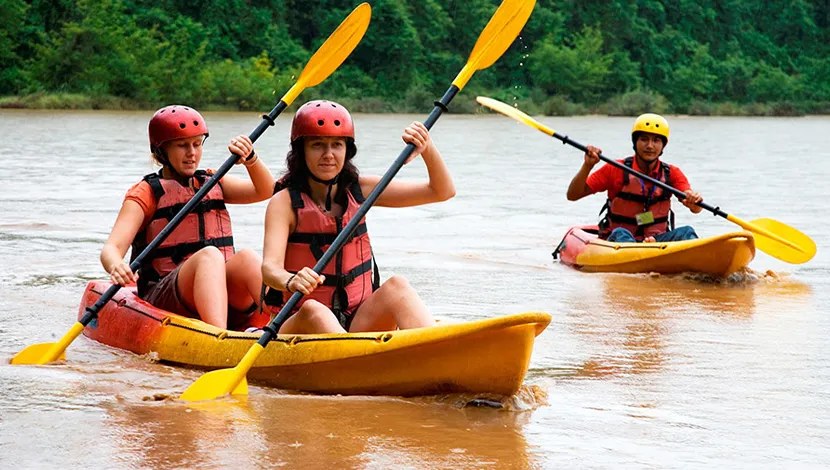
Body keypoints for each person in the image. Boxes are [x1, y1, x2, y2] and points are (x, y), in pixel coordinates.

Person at [260, 100, 456, 334]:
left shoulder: (361, 190)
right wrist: (290, 280)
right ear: (301, 151)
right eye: (318, 145)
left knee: (397, 286)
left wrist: (427, 149)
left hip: (356, 319)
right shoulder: (284, 203)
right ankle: (354, 362)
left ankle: (432, 350)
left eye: (337, 145)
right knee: (315, 309)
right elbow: (270, 269)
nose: (329, 154)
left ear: (347, 150)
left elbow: (442, 191)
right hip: (299, 323)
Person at [100, 105, 275, 330]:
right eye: (182, 145)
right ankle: (218, 338)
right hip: (166, 294)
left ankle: (285, 324)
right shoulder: (146, 193)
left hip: (221, 293)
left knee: (248, 258)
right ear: (161, 151)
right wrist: (116, 265)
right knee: (209, 256)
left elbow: (266, 190)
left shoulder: (212, 181)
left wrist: (251, 160)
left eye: (196, 144)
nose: (192, 153)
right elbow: (111, 248)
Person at [566, 113, 703, 243]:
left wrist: (692, 200)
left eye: (656, 140)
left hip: (657, 240)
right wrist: (587, 166)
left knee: (687, 231)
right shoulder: (615, 168)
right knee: (621, 232)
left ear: (662, 146)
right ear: (635, 142)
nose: (650, 146)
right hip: (619, 240)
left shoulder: (672, 173)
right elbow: (573, 195)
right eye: (644, 139)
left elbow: (696, 209)